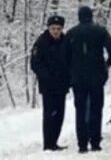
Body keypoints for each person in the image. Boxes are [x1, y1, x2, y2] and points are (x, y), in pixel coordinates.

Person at [64, 6, 111, 153]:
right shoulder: (100, 31)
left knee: (80, 110)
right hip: (97, 76)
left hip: (78, 78)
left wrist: (71, 71)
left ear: (79, 17)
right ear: (91, 16)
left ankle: (82, 144)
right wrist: (108, 63)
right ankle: (95, 142)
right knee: (96, 109)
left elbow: (65, 56)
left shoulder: (71, 33)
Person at [30, 14, 69, 152]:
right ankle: (48, 144)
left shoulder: (65, 41)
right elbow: (35, 63)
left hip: (62, 85)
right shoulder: (41, 42)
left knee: (60, 114)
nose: (56, 31)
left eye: (58, 29)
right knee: (49, 115)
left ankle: (55, 141)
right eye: (53, 28)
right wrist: (47, 77)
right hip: (48, 86)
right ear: (48, 28)